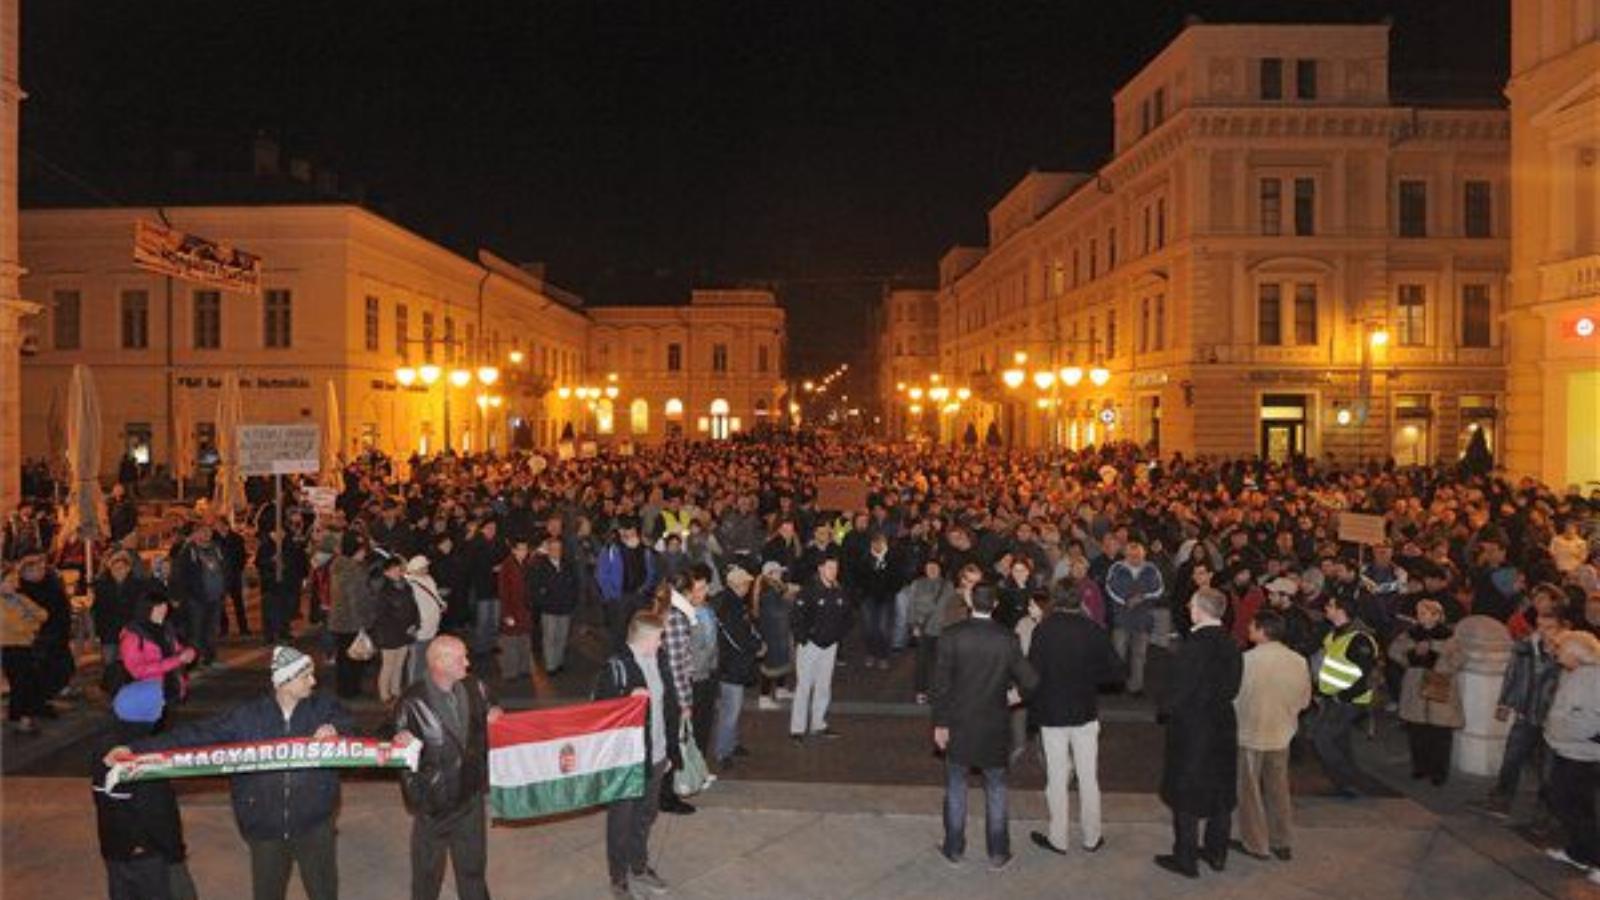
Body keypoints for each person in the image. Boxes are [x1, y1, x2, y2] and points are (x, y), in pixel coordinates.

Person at [107, 647, 353, 900]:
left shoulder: (323, 707)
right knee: (267, 892)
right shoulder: (247, 716)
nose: (313, 681)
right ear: (285, 681)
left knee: (323, 892)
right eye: (306, 676)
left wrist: (335, 730)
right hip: (264, 826)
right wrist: (135, 749)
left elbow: (349, 725)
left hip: (314, 823)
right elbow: (195, 735)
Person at [931, 585, 1038, 870]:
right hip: (994, 725)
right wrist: (1012, 698)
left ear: (969, 601)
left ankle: (954, 849)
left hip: (959, 723)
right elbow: (1031, 681)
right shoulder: (1008, 639)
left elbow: (940, 686)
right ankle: (998, 852)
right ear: (996, 604)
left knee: (956, 787)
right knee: (997, 789)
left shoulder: (952, 636)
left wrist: (940, 723)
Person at [394, 635, 502, 900]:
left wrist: (495, 713)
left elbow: (490, 713)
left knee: (473, 870)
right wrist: (419, 798)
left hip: (469, 801)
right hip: (434, 807)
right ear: (440, 663)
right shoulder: (412, 701)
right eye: (460, 658)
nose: (467, 662)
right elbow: (398, 756)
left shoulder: (475, 687)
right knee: (426, 877)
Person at [1154, 586, 1242, 879]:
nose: (1189, 609)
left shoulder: (1193, 647)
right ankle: (1217, 853)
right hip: (1223, 722)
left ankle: (1186, 858)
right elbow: (1233, 687)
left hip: (1193, 727)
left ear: (1200, 610)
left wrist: (1165, 707)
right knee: (1220, 787)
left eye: (1192, 605)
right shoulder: (1232, 644)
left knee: (1186, 791)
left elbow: (1178, 690)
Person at [1026, 588, 1121, 855]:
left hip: (1052, 713)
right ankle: (1092, 837)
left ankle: (1058, 838)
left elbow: (1033, 673)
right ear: (1079, 602)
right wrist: (1090, 677)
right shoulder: (1092, 630)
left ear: (1055, 601)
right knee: (1088, 777)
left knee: (1056, 777)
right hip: (1085, 711)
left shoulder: (1044, 630)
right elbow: (1116, 670)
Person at [594, 612, 681, 898]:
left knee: (646, 814)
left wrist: (669, 751)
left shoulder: (660, 660)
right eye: (659, 638)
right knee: (620, 820)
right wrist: (625, 701)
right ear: (644, 638)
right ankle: (618, 877)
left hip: (655, 756)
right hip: (627, 761)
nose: (662, 643)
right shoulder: (616, 666)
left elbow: (668, 707)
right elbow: (598, 711)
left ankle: (639, 866)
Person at [92, 679, 198, 900]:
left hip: (114, 849)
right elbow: (157, 812)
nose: (162, 707)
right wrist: (174, 851)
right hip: (148, 854)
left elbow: (106, 800)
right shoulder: (143, 756)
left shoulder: (105, 745)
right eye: (159, 703)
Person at [1231, 609, 1311, 862]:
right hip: (1282, 732)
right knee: (1278, 788)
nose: (1248, 629)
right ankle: (1282, 840)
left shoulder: (1247, 660)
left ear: (1262, 631)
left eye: (1252, 626)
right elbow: (1304, 699)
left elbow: (1234, 698)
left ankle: (1256, 842)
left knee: (1250, 791)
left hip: (1250, 732)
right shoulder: (1298, 661)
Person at [1474, 605, 1567, 821]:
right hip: (1525, 711)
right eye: (1540, 626)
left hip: (1552, 717)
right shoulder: (1525, 647)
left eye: (1550, 627)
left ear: (1562, 627)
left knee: (1548, 767)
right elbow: (1512, 674)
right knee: (1512, 758)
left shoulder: (1566, 651)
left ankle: (1545, 810)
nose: (1544, 631)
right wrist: (1504, 702)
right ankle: (1501, 799)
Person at [1541, 630, 1600, 887]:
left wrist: (1556, 729)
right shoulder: (1573, 673)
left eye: (1561, 649)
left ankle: (1595, 858)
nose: (1556, 653)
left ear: (1577, 652)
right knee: (1565, 801)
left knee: (1573, 805)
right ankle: (1578, 852)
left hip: (1582, 754)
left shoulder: (1592, 678)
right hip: (1567, 749)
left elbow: (1588, 722)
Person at [1308, 592, 1380, 798]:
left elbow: (1363, 674)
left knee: (1322, 739)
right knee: (1339, 741)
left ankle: (1346, 780)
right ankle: (1350, 783)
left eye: (1330, 605)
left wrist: (1343, 696)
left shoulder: (1359, 639)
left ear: (1341, 611)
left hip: (1348, 701)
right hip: (1333, 698)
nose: (1326, 609)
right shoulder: (1334, 634)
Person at [1389, 599, 1465, 786]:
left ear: (1437, 615)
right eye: (1419, 613)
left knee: (1439, 731)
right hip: (1415, 683)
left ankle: (1438, 771)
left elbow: (1459, 660)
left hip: (1439, 681)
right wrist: (1412, 653)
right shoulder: (1411, 634)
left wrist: (1434, 651)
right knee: (1417, 729)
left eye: (1425, 613)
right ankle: (1420, 767)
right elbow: (1394, 651)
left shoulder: (1449, 636)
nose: (1421, 617)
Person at [790, 553, 851, 744]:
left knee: (824, 686)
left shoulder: (839, 591)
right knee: (804, 686)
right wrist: (804, 638)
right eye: (830, 567)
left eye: (836, 568)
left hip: (829, 646)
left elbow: (848, 617)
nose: (834, 572)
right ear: (821, 569)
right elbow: (797, 616)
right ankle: (797, 729)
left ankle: (818, 723)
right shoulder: (809, 591)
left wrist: (837, 637)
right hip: (810, 646)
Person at [711, 565, 762, 769]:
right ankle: (723, 751)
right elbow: (736, 637)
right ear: (738, 585)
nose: (749, 587)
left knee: (733, 707)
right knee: (730, 710)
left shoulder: (731, 602)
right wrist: (756, 646)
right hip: (731, 666)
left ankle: (731, 743)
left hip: (733, 664)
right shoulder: (730, 606)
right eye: (747, 584)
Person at [1105, 537, 1165, 697]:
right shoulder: (1116, 568)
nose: (1135, 559)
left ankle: (1136, 686)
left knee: (1140, 654)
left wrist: (1142, 597)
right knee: (1119, 652)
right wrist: (1126, 600)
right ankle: (1117, 683)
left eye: (1138, 556)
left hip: (1142, 619)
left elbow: (1159, 590)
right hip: (1122, 618)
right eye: (1131, 556)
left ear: (1143, 555)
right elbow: (1109, 588)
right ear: (1125, 555)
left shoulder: (1152, 569)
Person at [119, 593, 195, 707]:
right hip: (148, 694)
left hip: (172, 690)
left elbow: (177, 648)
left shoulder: (166, 627)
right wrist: (177, 660)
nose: (163, 610)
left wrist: (189, 652)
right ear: (147, 609)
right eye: (159, 607)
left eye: (165, 606)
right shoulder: (133, 635)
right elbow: (138, 671)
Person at [1, 561, 49, 734]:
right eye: (10, 580)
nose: (15, 584)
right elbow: (12, 626)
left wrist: (29, 618)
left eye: (14, 580)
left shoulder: (19, 598)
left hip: (25, 646)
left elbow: (42, 614)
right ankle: (22, 719)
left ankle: (21, 717)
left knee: (25, 683)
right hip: (10, 647)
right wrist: (31, 625)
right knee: (20, 684)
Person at [596, 519, 658, 651]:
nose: (630, 534)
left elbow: (650, 570)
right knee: (619, 631)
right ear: (620, 532)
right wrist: (612, 595)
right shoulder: (611, 548)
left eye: (633, 531)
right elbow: (601, 575)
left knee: (637, 630)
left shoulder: (644, 549)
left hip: (638, 596)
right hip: (620, 598)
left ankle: (634, 656)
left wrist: (644, 588)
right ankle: (618, 659)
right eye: (626, 531)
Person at [327, 533, 376, 699]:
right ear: (355, 551)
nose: (364, 553)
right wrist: (363, 622)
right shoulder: (355, 570)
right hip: (353, 621)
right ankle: (351, 690)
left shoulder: (338, 566)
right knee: (354, 658)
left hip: (339, 619)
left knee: (343, 657)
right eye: (362, 550)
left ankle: (344, 689)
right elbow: (357, 598)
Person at [906, 558, 961, 705]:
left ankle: (942, 691)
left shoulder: (948, 585)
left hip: (944, 629)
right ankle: (921, 690)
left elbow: (953, 607)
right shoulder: (917, 584)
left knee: (943, 663)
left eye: (934, 567)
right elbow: (911, 606)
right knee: (922, 662)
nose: (932, 570)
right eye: (929, 567)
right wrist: (913, 625)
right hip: (924, 629)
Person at [530, 533, 581, 674]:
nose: (556, 552)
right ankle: (550, 665)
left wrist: (572, 602)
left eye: (558, 549)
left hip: (565, 608)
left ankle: (558, 662)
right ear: (548, 550)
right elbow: (535, 588)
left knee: (562, 637)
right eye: (553, 549)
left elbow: (576, 585)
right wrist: (543, 603)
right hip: (549, 609)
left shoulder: (568, 565)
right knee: (549, 638)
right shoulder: (541, 566)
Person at [373, 553, 420, 705]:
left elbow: (414, 608)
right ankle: (384, 694)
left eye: (398, 568)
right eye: (393, 569)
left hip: (405, 632)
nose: (397, 572)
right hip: (389, 634)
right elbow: (382, 616)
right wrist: (405, 627)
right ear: (386, 572)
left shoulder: (407, 586)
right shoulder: (383, 591)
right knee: (388, 665)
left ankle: (396, 690)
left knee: (400, 664)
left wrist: (415, 624)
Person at [496, 536, 536, 683]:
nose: (524, 552)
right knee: (511, 642)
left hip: (525, 608)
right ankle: (510, 672)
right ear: (514, 550)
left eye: (526, 549)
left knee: (524, 640)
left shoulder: (526, 563)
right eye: (521, 549)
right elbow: (503, 591)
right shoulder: (507, 566)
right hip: (512, 608)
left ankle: (525, 668)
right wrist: (506, 614)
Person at [404, 555, 448, 685]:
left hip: (432, 625)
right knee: (416, 658)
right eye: (424, 567)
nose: (427, 569)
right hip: (420, 627)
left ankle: (423, 683)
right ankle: (413, 686)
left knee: (427, 657)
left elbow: (435, 595)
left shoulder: (428, 579)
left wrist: (441, 604)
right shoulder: (409, 583)